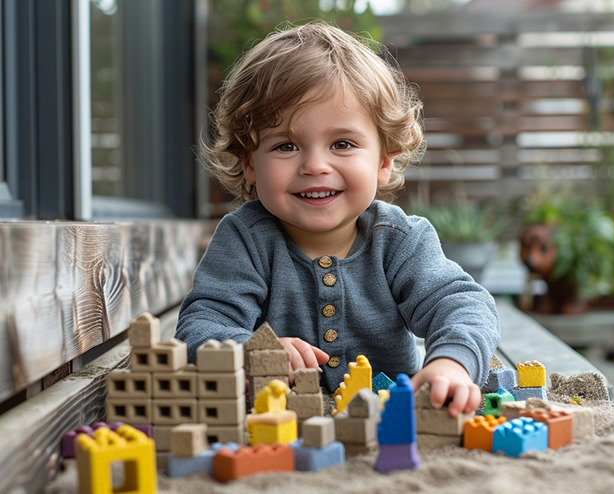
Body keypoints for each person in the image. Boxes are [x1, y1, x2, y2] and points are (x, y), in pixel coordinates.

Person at [175, 21, 500, 417]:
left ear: (384, 160)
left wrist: (451, 363)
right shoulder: (245, 240)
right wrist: (248, 350)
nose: (315, 165)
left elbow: (462, 303)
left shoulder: (399, 240)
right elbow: (201, 324)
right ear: (249, 164)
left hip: (388, 420)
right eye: (286, 145)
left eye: (342, 144)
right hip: (281, 424)